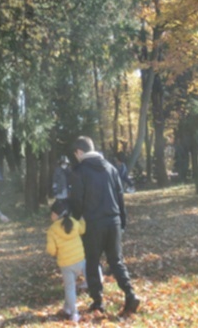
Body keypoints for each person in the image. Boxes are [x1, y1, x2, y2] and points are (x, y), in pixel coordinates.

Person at [69, 136, 140, 317]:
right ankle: (130, 293)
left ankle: (98, 302)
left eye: (75, 154)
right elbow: (120, 195)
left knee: (92, 262)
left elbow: (77, 200)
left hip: (93, 223)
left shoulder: (80, 171)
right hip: (113, 221)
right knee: (116, 260)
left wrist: (75, 220)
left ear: (79, 152)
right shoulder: (110, 168)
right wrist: (122, 220)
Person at [46, 199, 86, 323]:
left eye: (52, 213)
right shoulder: (74, 222)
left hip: (66, 264)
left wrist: (54, 252)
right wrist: (83, 218)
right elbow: (82, 229)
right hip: (80, 260)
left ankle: (74, 313)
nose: (50, 215)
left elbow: (51, 250)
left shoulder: (52, 230)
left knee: (70, 288)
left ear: (58, 215)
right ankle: (67, 308)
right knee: (84, 278)